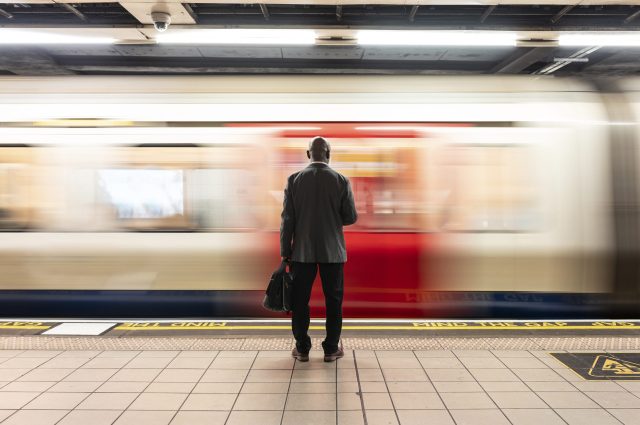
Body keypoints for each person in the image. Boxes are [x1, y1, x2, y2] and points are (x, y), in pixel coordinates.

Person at [280, 136, 358, 362]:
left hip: (301, 253)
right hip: (332, 251)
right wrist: (331, 218)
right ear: (328, 154)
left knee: (300, 301)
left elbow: (287, 220)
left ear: (308, 155)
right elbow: (350, 217)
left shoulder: (294, 180)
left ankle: (302, 348)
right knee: (333, 300)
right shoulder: (341, 180)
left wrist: (285, 252)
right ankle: (331, 349)